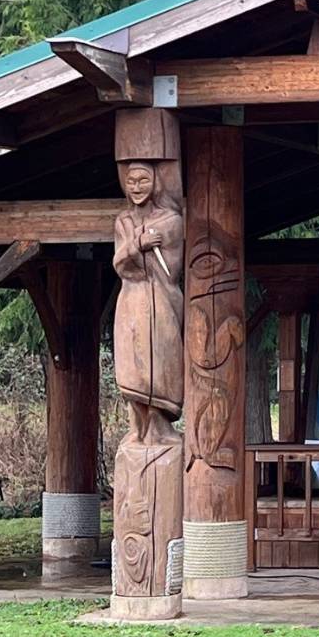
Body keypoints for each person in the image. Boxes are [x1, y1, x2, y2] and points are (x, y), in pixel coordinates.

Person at [112, 160, 185, 446]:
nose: (137, 187)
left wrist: (146, 252)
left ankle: (158, 424)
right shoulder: (123, 222)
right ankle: (136, 426)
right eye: (131, 181)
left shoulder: (171, 221)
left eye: (143, 180)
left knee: (160, 361)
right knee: (132, 364)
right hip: (131, 299)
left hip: (161, 299)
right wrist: (137, 244)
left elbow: (172, 268)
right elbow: (120, 264)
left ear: (155, 182)